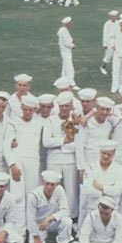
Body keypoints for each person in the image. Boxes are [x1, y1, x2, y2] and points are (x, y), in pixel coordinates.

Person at [42, 91, 80, 219]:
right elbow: (46, 142)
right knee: (52, 189)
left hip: (70, 160)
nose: (64, 108)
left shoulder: (75, 120)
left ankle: (72, 217)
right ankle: (51, 217)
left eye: (67, 106)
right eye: (62, 106)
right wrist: (64, 141)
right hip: (54, 159)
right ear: (58, 107)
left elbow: (78, 142)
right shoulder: (50, 120)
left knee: (71, 191)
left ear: (71, 106)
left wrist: (63, 144)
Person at [26, 169, 73, 243]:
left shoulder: (60, 190)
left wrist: (50, 218)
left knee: (67, 221)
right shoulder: (33, 195)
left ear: (57, 184)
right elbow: (30, 218)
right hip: (38, 225)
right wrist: (36, 237)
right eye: (47, 184)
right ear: (43, 182)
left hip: (51, 222)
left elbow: (65, 210)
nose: (49, 187)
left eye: (52, 184)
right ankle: (38, 239)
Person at [79, 140, 122, 228]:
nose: (105, 156)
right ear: (99, 152)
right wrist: (107, 191)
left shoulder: (119, 169)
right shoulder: (91, 167)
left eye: (109, 154)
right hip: (93, 207)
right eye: (104, 153)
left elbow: (117, 191)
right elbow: (87, 190)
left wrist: (100, 187)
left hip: (111, 209)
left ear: (114, 154)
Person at [57, 18, 78, 90]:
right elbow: (67, 43)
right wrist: (73, 46)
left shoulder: (63, 30)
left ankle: (63, 81)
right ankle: (72, 84)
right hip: (66, 52)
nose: (71, 24)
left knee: (65, 67)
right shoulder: (64, 31)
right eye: (70, 23)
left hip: (66, 52)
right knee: (69, 68)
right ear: (67, 23)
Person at [100, 11, 119, 75]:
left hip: (117, 41)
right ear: (110, 17)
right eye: (112, 16)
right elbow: (105, 33)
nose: (114, 17)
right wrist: (105, 44)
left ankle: (114, 70)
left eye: (115, 16)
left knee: (116, 56)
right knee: (108, 56)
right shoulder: (107, 24)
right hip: (109, 41)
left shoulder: (118, 23)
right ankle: (103, 67)